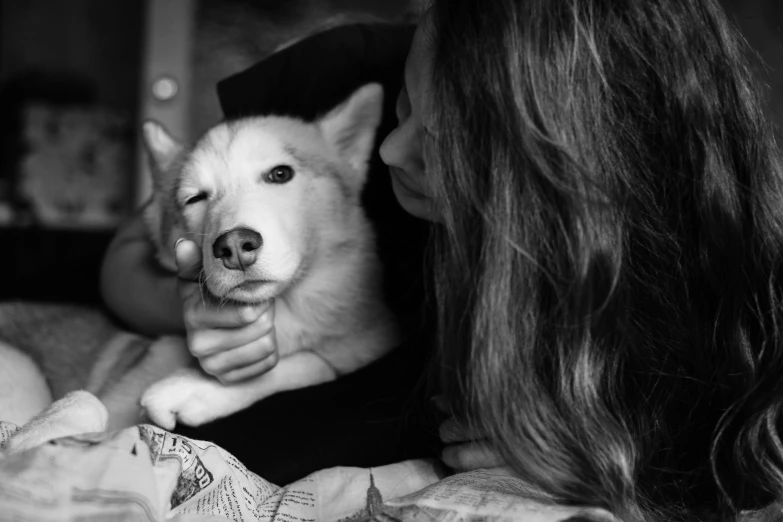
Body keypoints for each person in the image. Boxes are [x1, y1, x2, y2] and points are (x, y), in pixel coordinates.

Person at [101, 0, 783, 520]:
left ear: (570, 190)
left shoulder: (692, 292)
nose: (392, 151)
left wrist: (591, 452)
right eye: (402, 101)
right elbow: (127, 254)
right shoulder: (341, 78)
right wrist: (193, 304)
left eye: (445, 145)